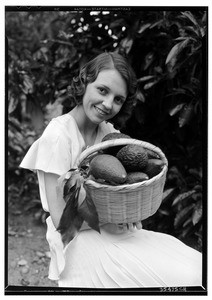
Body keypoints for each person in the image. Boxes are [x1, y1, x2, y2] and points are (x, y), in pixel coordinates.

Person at [20, 52, 202, 288]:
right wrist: (117, 217)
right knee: (184, 279)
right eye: (103, 90)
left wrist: (129, 214)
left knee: (197, 266)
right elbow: (61, 221)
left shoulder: (107, 133)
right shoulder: (57, 137)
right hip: (79, 243)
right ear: (85, 81)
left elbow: (123, 185)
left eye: (118, 99)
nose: (108, 104)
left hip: (114, 233)